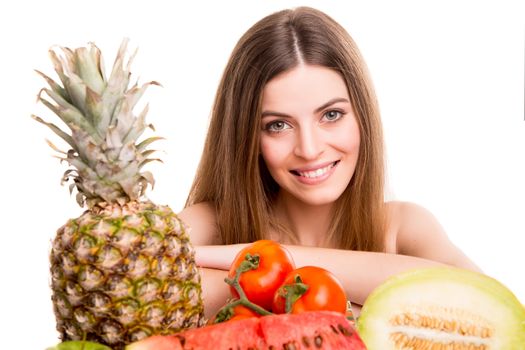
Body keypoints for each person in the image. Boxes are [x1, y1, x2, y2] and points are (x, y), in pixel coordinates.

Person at [178, 6, 480, 319]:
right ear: (247, 138)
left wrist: (250, 260)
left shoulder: (403, 228)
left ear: (362, 116)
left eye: (331, 115)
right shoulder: (210, 224)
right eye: (278, 125)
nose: (309, 149)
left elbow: (490, 308)